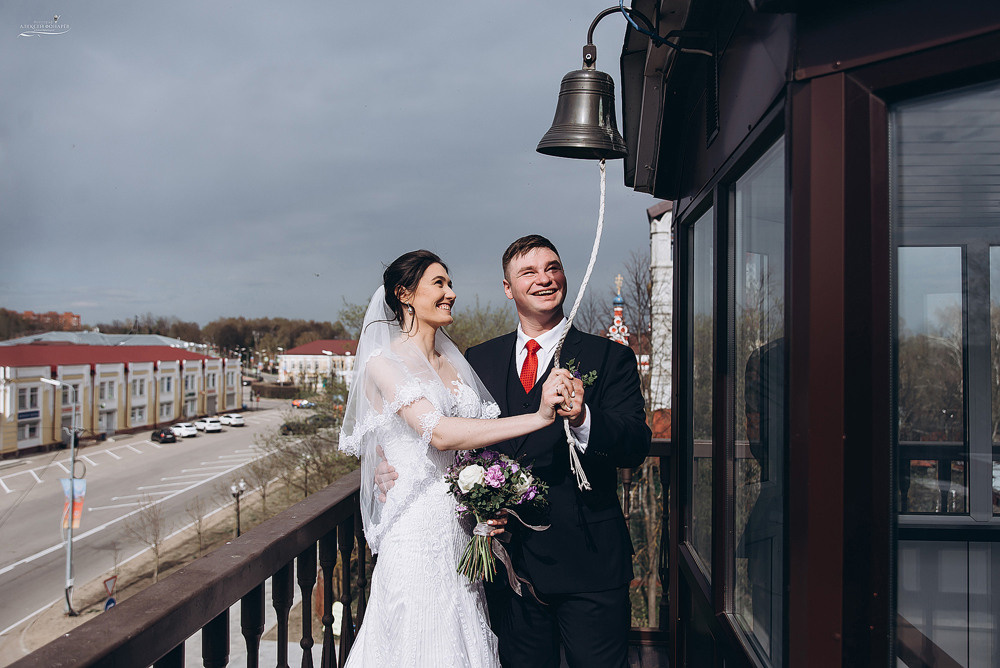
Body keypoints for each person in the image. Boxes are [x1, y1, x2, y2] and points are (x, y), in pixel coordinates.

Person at [379, 235, 651, 667]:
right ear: (508, 288)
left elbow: (636, 445)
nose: (544, 279)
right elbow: (447, 434)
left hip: (588, 564)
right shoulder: (477, 360)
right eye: (528, 272)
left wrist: (583, 418)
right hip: (505, 567)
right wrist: (388, 466)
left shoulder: (610, 356)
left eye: (553, 268)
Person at [338, 250, 577, 668]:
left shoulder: (453, 362)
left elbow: (474, 447)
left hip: (461, 530)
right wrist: (538, 417)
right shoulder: (383, 362)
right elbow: (441, 433)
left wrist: (491, 494)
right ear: (404, 295)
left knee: (461, 639)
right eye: (439, 284)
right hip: (414, 532)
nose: (451, 293)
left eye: (450, 283)